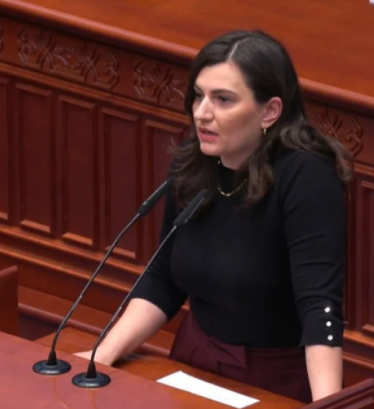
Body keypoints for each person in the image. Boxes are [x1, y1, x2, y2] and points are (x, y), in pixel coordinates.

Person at [75, 29, 352, 403]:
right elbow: (163, 278)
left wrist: (327, 405)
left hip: (273, 381)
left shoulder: (306, 177)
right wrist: (101, 358)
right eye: (198, 95)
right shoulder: (194, 162)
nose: (202, 113)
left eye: (223, 100)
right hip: (193, 365)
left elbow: (320, 308)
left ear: (270, 111)